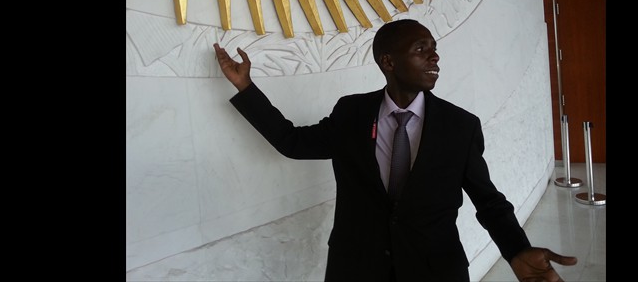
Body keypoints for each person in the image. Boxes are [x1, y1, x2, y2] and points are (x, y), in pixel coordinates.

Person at [213, 19, 577, 281]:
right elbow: (291, 143)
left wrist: (516, 249)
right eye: (422, 50)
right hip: (356, 268)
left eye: (434, 49)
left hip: (436, 269)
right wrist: (246, 88)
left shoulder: (460, 126)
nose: (435, 58)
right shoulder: (351, 113)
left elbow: (489, 200)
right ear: (388, 62)